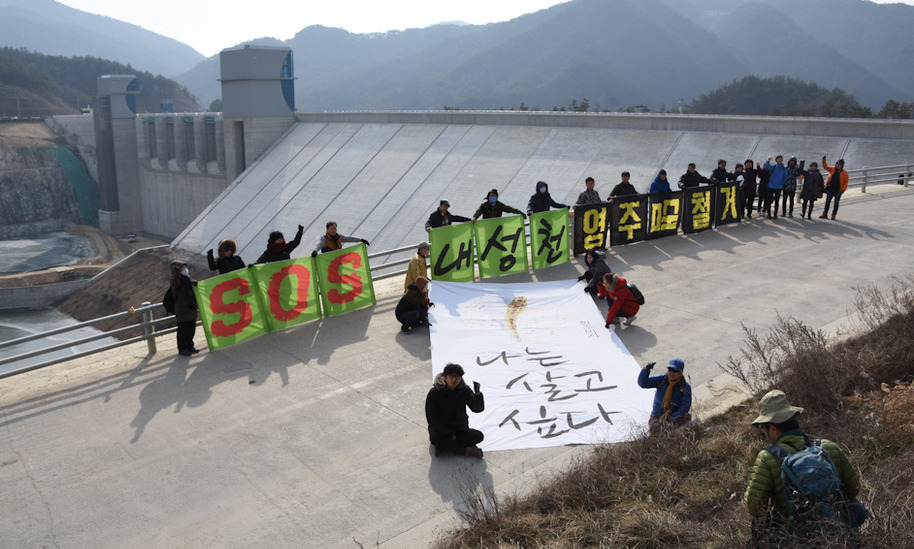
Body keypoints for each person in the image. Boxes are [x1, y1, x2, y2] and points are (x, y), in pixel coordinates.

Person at [745, 390, 864, 546]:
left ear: (773, 428)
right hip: (842, 532)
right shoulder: (827, 447)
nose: (765, 433)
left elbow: (755, 507)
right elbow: (853, 488)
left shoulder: (767, 458)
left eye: (763, 429)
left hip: (799, 540)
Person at [425, 363, 485, 458]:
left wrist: (478, 395)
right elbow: (432, 419)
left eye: (457, 377)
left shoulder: (464, 390)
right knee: (435, 438)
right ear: (445, 377)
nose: (454, 380)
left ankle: (446, 447)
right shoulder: (435, 393)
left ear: (460, 379)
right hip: (441, 430)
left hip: (459, 428)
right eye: (451, 377)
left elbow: (477, 409)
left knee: (479, 436)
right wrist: (448, 433)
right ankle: (465, 450)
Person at [637, 359, 691, 434]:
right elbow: (643, 383)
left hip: (675, 417)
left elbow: (684, 407)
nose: (671, 373)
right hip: (657, 415)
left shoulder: (685, 387)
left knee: (677, 429)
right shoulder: (662, 380)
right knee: (656, 430)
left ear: (680, 372)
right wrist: (646, 370)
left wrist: (672, 419)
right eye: (670, 369)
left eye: (675, 371)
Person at [169, 260, 199, 356]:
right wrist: (177, 273)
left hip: (191, 309)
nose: (185, 270)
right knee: (183, 330)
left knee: (191, 329)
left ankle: (190, 346)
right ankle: (182, 348)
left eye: (185, 268)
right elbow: (175, 284)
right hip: (182, 310)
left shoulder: (188, 280)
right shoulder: (175, 281)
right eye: (182, 269)